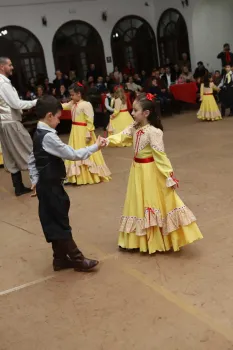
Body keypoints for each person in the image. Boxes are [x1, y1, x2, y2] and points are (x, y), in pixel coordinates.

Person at [105, 93, 203, 254]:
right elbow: (121, 137)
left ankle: (154, 240)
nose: (132, 113)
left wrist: (169, 175)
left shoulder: (154, 132)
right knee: (137, 201)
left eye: (135, 110)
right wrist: (107, 141)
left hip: (150, 172)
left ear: (146, 113)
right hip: (136, 171)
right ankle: (136, 239)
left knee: (151, 202)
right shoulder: (134, 127)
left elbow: (160, 156)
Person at [28, 96, 102, 272]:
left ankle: (59, 259)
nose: (60, 120)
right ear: (49, 116)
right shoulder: (48, 137)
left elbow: (32, 159)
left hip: (47, 185)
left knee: (53, 220)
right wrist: (95, 147)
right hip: (50, 186)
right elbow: (71, 154)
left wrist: (34, 180)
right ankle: (78, 259)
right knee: (60, 221)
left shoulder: (38, 133)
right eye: (58, 116)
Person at [0, 57, 37, 196]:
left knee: (10, 157)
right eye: (10, 65)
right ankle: (40, 183)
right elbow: (16, 104)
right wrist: (35, 102)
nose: (12, 67)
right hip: (11, 123)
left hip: (3, 123)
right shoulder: (3, 84)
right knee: (31, 150)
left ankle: (19, 188)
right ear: (2, 67)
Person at [62, 82, 111, 185]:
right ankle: (75, 177)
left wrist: (89, 132)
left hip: (83, 131)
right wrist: (54, 105)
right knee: (74, 151)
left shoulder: (86, 104)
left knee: (86, 152)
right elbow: (65, 106)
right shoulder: (72, 103)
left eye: (72, 94)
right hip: (75, 131)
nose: (71, 97)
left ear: (79, 93)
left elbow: (90, 120)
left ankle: (89, 175)